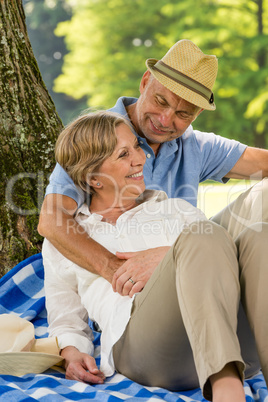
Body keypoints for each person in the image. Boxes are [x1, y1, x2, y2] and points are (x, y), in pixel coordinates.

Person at [43, 111, 268, 402]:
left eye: (136, 146)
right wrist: (73, 355)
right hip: (146, 351)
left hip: (230, 340)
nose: (140, 158)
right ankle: (227, 391)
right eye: (123, 154)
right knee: (204, 235)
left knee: (260, 234)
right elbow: (66, 319)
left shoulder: (175, 210)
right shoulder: (72, 237)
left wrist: (167, 259)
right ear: (94, 179)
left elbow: (222, 262)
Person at [38, 39, 268, 294]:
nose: (165, 120)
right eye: (161, 101)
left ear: (197, 114)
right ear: (146, 81)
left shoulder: (196, 146)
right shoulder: (95, 139)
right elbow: (51, 220)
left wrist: (172, 256)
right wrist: (115, 270)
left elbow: (263, 164)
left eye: (183, 114)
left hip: (190, 259)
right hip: (136, 290)